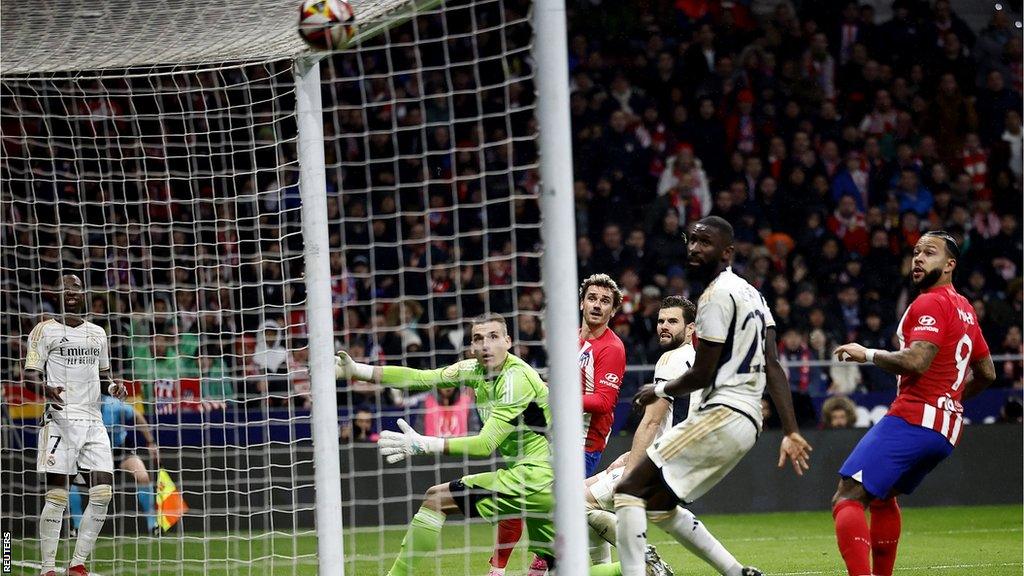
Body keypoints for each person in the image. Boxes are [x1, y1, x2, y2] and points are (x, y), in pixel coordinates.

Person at [615, 217, 813, 576]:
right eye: (691, 240)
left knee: (628, 491)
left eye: (705, 242)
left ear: (728, 252)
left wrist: (657, 389)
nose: (694, 248)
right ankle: (738, 572)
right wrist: (790, 430)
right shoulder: (754, 295)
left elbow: (701, 373)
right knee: (658, 506)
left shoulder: (714, 296)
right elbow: (772, 365)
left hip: (723, 412)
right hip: (748, 421)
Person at [335, 314, 556, 576]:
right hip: (540, 478)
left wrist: (425, 444)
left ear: (508, 341)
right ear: (472, 346)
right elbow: (421, 378)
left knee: (436, 499)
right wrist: (358, 371)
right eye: (478, 338)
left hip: (538, 476)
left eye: (494, 337)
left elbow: (485, 444)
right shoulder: (474, 370)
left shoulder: (514, 380)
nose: (485, 345)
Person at [831, 231, 996, 576]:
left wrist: (868, 354)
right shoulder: (965, 308)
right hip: (945, 431)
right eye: (916, 252)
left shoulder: (930, 302)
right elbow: (987, 373)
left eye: (929, 253)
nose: (918, 258)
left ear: (950, 265)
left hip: (914, 417)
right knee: (882, 496)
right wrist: (951, 402)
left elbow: (917, 361)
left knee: (847, 497)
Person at [492, 273, 627, 575]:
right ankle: (500, 568)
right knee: (518, 492)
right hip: (554, 435)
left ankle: (548, 563)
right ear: (582, 302)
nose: (597, 305)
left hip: (583, 444)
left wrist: (556, 395)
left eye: (605, 301)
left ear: (613, 311)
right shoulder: (570, 339)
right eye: (592, 298)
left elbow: (604, 402)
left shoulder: (612, 349)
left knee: (553, 506)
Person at [584, 296, 700, 572]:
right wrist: (628, 456)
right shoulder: (695, 362)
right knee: (584, 505)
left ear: (691, 328)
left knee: (574, 504)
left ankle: (645, 559)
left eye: (673, 321)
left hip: (659, 465)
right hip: (676, 461)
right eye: (661, 321)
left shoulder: (671, 360)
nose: (664, 326)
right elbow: (676, 423)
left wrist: (632, 471)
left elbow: (652, 422)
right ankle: (624, 565)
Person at [23, 275, 128, 576]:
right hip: (60, 418)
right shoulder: (43, 331)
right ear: (57, 295)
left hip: (93, 420)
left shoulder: (97, 333)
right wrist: (45, 389)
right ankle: (47, 568)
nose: (71, 293)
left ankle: (77, 564)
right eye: (65, 289)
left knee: (103, 492)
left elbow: (106, 375)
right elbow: (29, 373)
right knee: (57, 495)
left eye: (76, 289)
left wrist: (114, 388)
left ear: (83, 294)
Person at [69, 395, 159, 536]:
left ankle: (153, 525)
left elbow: (138, 417)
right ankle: (77, 526)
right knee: (71, 482)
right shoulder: (80, 408)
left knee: (143, 477)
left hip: (119, 449)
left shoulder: (115, 405)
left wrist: (151, 442)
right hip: (93, 452)